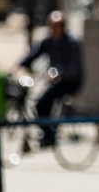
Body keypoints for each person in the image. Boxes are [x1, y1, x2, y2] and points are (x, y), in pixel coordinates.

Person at [19, 11, 85, 145]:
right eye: (52, 26)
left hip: (71, 81)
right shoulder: (48, 41)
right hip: (56, 80)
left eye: (57, 26)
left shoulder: (72, 42)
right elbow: (34, 54)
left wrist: (60, 74)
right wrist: (21, 65)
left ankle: (49, 136)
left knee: (42, 103)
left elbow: (75, 67)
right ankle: (47, 132)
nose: (54, 30)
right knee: (42, 100)